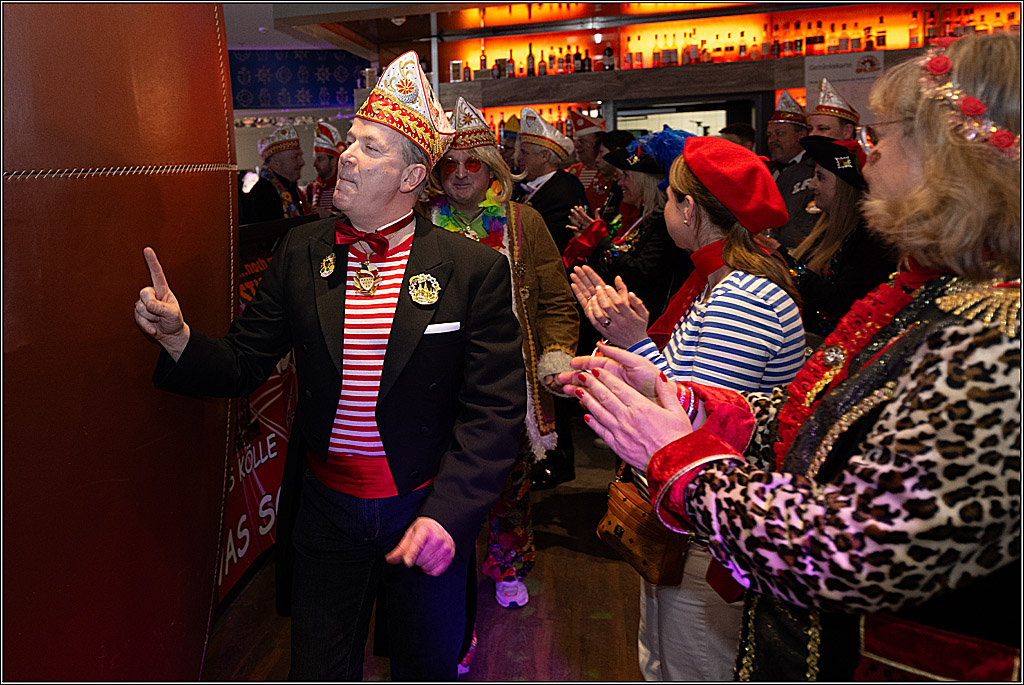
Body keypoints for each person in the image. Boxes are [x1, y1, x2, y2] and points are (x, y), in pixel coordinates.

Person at [561, 33, 1020, 681]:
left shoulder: (995, 336)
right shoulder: (935, 292)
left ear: (947, 157)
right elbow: (808, 417)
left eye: (884, 133)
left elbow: (851, 552)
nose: (867, 151)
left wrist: (682, 456)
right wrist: (684, 401)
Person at [134, 51, 526, 681]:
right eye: (350, 141)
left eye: (370, 147)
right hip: (325, 511)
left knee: (424, 664)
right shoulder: (301, 249)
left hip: (422, 511)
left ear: (411, 176)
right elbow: (242, 360)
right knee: (318, 665)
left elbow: (496, 412)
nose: (345, 154)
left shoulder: (472, 269)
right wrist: (179, 337)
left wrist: (449, 515)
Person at [571, 136, 805, 681]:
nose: (663, 203)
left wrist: (632, 341)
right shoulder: (718, 284)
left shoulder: (742, 296)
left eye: (671, 195)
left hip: (710, 534)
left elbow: (692, 423)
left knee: (694, 668)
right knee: (664, 661)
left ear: (690, 210)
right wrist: (603, 366)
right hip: (692, 522)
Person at [425, 96, 578, 610]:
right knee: (446, 486)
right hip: (440, 382)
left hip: (506, 380)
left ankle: (510, 564)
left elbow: (556, 299)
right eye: (450, 164)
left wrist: (554, 356)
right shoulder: (422, 225)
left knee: (508, 486)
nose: (462, 174)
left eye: (473, 164)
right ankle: (449, 581)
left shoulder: (524, 223)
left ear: (492, 167)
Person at [513, 106, 589, 490]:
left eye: (526, 151)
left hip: (547, 297)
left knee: (553, 386)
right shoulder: (523, 192)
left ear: (546, 156)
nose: (517, 156)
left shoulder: (562, 191)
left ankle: (556, 462)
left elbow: (551, 253)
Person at [784, 135, 897, 344]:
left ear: (844, 188)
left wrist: (784, 262)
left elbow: (841, 302)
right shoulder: (828, 229)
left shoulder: (873, 239)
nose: (811, 185)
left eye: (820, 177)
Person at [513, 106, 590, 254]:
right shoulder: (532, 186)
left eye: (524, 153)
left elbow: (545, 244)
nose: (519, 159)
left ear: (544, 157)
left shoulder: (562, 195)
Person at [766, 91, 817, 249]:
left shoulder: (815, 169)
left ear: (801, 135)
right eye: (769, 135)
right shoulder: (766, 171)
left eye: (779, 134)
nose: (772, 140)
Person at [239, 123, 308, 225]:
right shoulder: (262, 193)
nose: (302, 162)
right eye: (295, 157)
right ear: (276, 161)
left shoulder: (291, 188)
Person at [566, 110, 614, 213]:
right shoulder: (573, 171)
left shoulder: (609, 171)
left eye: (582, 142)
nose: (577, 146)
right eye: (576, 142)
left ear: (597, 144)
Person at [305, 121, 345, 218]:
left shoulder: (345, 188)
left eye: (320, 159)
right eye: (315, 159)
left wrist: (330, 215)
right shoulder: (311, 190)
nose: (314, 164)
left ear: (333, 161)